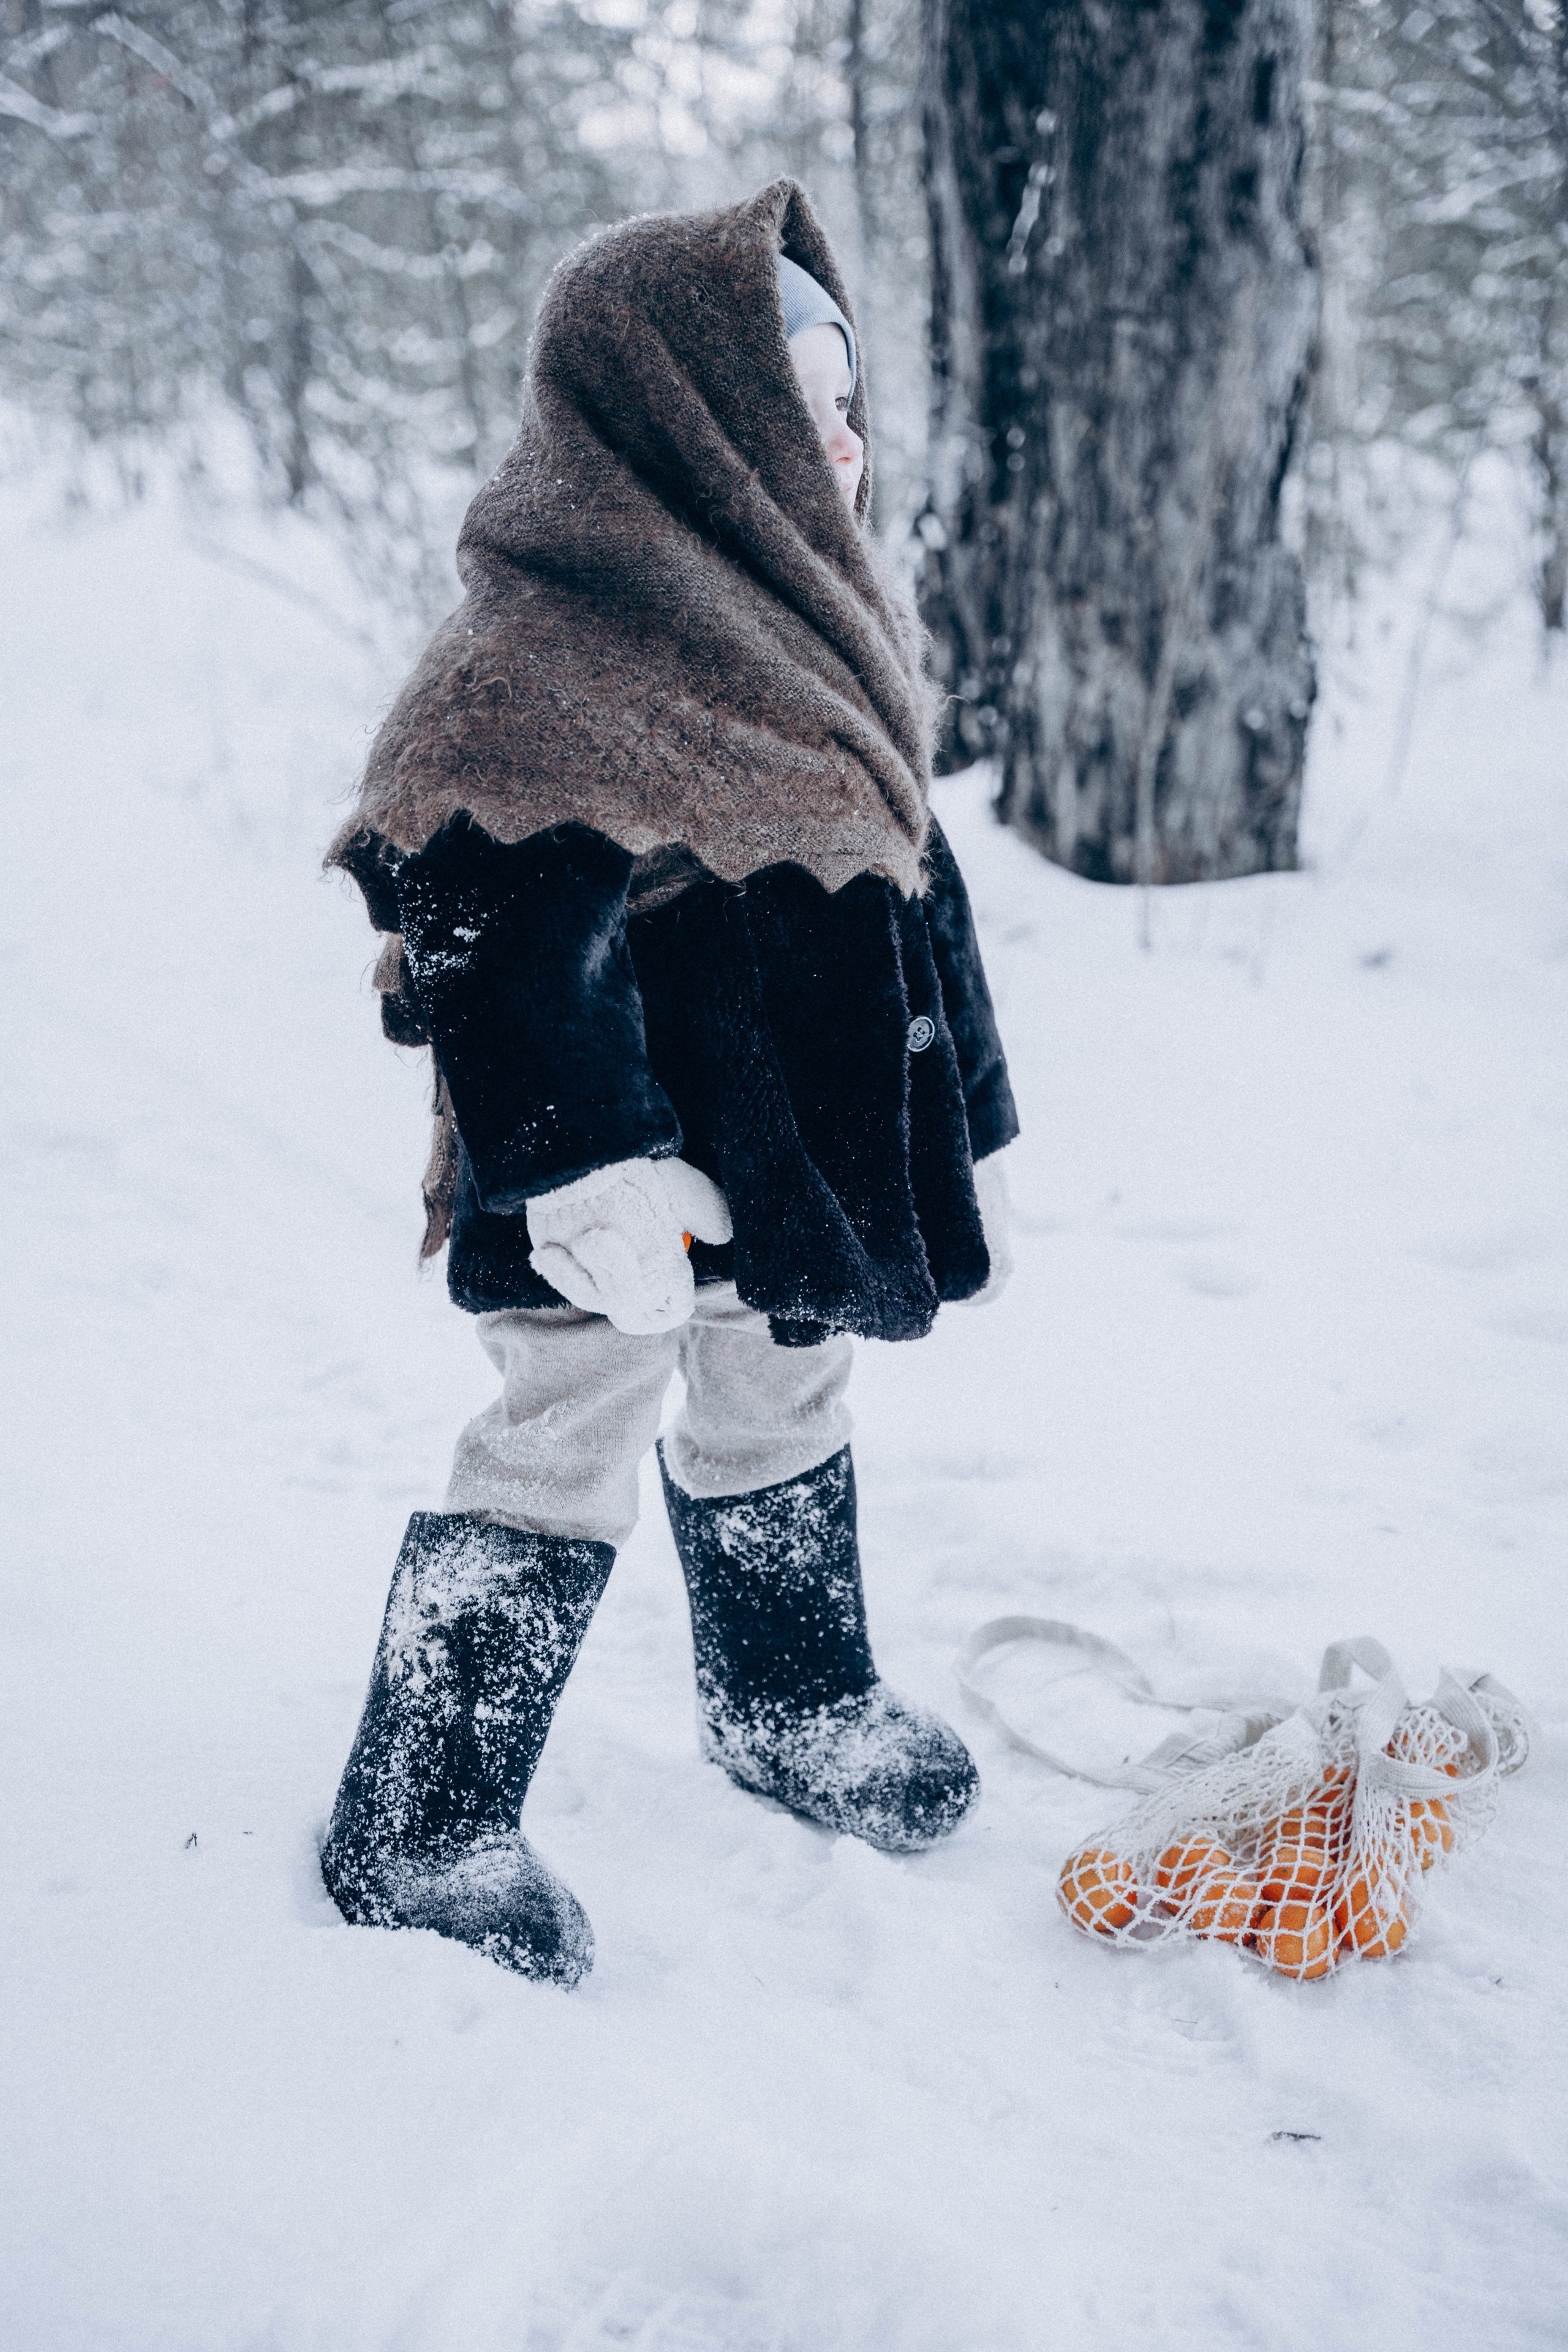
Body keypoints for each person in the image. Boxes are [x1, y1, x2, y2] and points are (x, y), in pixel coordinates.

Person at [320, 179, 1019, 1986]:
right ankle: (425, 1816)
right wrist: (578, 1162)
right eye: (798, 391)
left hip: (797, 1146)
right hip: (614, 1172)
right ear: (681, 412)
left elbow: (907, 886)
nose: (844, 429)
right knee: (570, 1421)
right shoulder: (535, 653)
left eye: (849, 386)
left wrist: (972, 1129)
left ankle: (793, 1700)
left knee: (787, 1384)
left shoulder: (824, 620)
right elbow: (473, 911)